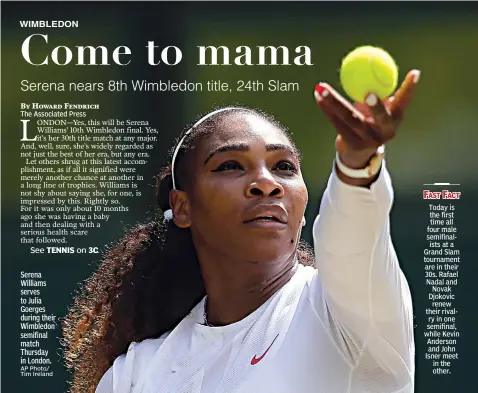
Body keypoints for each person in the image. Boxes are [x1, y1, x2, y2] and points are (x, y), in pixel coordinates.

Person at [62, 69, 420, 393]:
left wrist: (358, 164)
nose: (266, 184)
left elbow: (354, 240)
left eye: (283, 167)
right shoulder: (137, 372)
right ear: (183, 207)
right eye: (231, 165)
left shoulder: (345, 314)